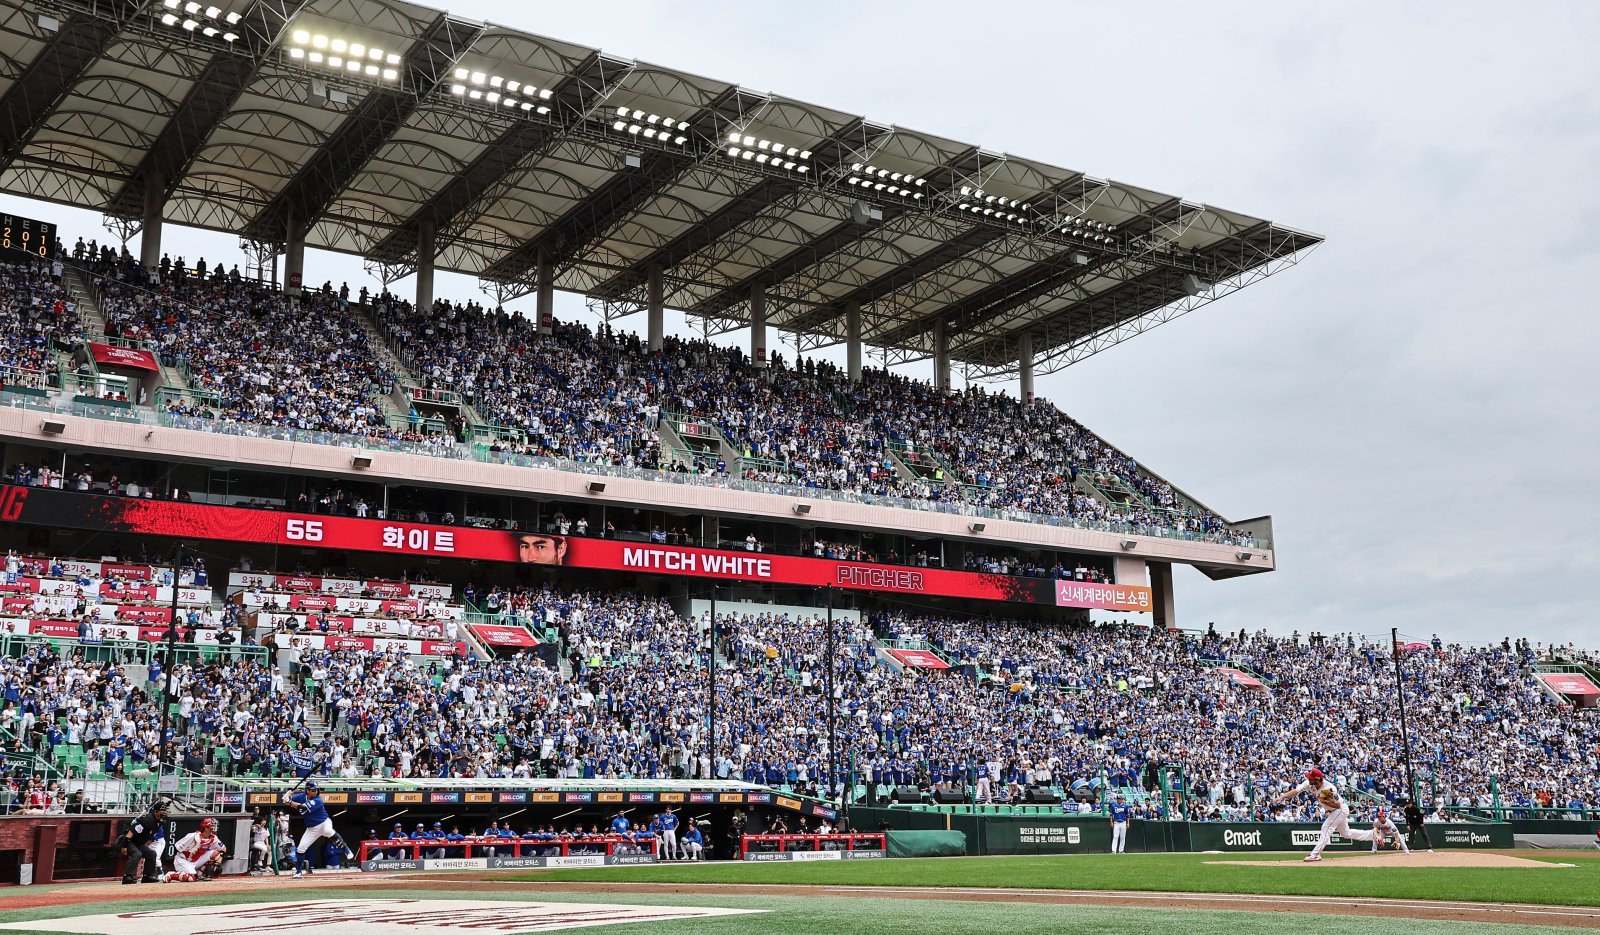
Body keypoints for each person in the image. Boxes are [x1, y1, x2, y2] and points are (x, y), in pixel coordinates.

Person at [1271, 768, 1375, 862]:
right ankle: (1373, 835)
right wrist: (1282, 797)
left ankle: (1315, 854)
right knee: (1346, 834)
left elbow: (1337, 805)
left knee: (1326, 827)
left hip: (1340, 809)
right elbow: (1296, 791)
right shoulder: (1310, 783)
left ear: (1318, 780)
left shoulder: (1329, 788)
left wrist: (1322, 800)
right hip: (1334, 811)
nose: (1308, 779)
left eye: (1311, 778)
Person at [287, 780, 353, 878]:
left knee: (328, 831)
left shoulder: (318, 799)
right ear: (307, 790)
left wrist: (289, 802)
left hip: (323, 822)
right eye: (313, 790)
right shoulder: (301, 797)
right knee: (301, 848)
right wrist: (287, 795)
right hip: (311, 829)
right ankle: (298, 872)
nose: (316, 792)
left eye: (317, 790)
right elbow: (289, 800)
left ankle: (347, 850)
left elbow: (302, 808)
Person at [120, 797, 169, 884]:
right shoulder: (147, 820)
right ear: (156, 812)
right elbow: (131, 832)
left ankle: (147, 876)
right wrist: (124, 846)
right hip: (130, 841)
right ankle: (127, 876)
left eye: (165, 811)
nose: (164, 813)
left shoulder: (160, 821)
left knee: (152, 853)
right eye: (162, 811)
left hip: (139, 842)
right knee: (137, 854)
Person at [163, 817, 227, 882]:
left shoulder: (214, 838)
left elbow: (223, 849)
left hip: (196, 860)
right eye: (212, 826)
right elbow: (177, 848)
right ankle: (171, 875)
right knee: (192, 878)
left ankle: (200, 874)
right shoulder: (193, 837)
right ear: (206, 828)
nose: (214, 829)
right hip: (183, 860)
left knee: (215, 854)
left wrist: (218, 863)